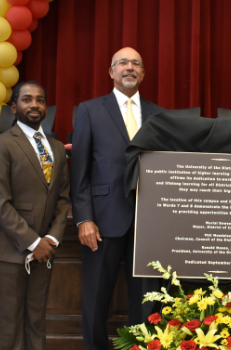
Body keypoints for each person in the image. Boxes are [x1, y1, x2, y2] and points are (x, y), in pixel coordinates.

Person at [70, 47, 164, 350]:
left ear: (143, 73)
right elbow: (79, 170)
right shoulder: (89, 110)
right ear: (111, 72)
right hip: (102, 220)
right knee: (97, 299)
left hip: (150, 223)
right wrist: (84, 218)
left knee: (147, 302)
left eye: (137, 63)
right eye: (122, 62)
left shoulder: (159, 115)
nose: (130, 67)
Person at [0, 81, 70, 350]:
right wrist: (34, 242)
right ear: (14, 107)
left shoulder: (56, 147)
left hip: (46, 249)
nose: (34, 104)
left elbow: (62, 198)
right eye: (27, 99)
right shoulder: (0, 144)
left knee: (36, 318)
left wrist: (52, 239)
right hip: (14, 248)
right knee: (10, 321)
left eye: (40, 100)